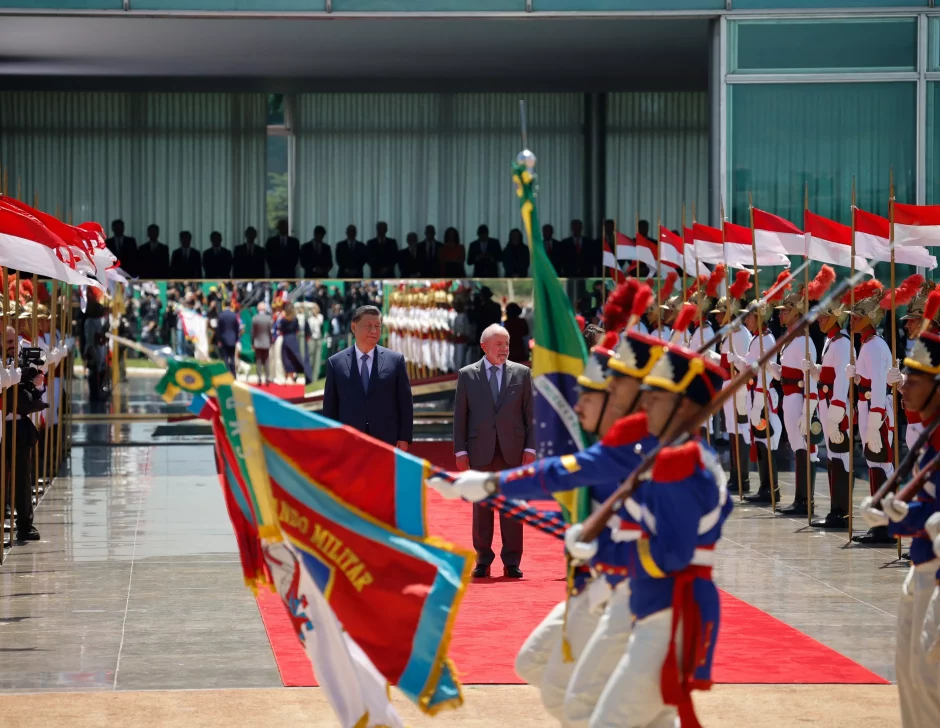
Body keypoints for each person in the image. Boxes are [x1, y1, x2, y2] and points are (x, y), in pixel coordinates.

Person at [861, 331, 940, 727]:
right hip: (920, 568)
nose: (904, 388)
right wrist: (898, 515)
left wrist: (909, 517)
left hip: (938, 577)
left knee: (930, 682)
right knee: (908, 677)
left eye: (915, 381)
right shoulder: (928, 433)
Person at [453, 324, 534, 579]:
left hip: (513, 450)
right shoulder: (467, 375)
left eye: (507, 344)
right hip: (480, 450)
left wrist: (530, 447)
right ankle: (483, 559)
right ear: (484, 347)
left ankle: (512, 561)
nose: (505, 349)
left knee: (511, 507)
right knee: (482, 508)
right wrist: (459, 451)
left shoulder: (522, 373)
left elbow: (530, 415)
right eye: (499, 344)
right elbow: (460, 417)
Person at [845, 281, 896, 545]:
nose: (851, 321)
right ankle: (880, 524)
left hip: (875, 411)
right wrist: (856, 378)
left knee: (882, 464)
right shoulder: (867, 344)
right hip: (867, 409)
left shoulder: (875, 346)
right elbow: (868, 380)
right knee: (874, 464)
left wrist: (875, 422)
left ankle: (887, 525)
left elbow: (878, 385)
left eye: (856, 317)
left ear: (869, 319)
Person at [322, 305, 413, 448]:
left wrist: (404, 437)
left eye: (378, 326)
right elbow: (330, 406)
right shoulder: (336, 363)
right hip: (348, 441)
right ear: (354, 327)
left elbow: (405, 403)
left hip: (386, 440)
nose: (374, 331)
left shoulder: (395, 360)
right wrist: (330, 438)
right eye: (368, 326)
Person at [729, 278, 782, 506]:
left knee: (766, 441)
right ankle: (764, 487)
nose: (747, 319)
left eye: (750, 315)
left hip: (763, 396)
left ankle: (771, 488)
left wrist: (759, 403)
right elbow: (750, 367)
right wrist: (736, 360)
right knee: (760, 442)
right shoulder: (757, 339)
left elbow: (763, 373)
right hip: (755, 395)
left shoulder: (766, 338)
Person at [770, 278, 821, 516]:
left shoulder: (803, 340)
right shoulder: (790, 339)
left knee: (803, 448)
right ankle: (800, 497)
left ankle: (805, 499)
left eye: (786, 311)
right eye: (781, 311)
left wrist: (807, 411)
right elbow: (785, 372)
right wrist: (770, 366)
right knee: (796, 447)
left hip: (799, 398)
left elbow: (809, 376)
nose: (782, 315)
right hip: (787, 396)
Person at [804, 287, 853, 528]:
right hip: (828, 405)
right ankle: (836, 508)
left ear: (835, 316)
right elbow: (830, 372)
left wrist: (837, 410)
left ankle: (842, 512)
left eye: (824, 316)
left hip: (837, 408)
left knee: (841, 458)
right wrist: (816, 370)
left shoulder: (842, 343)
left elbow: (843, 380)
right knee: (833, 458)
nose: (820, 320)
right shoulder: (830, 341)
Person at [714, 271, 753, 495]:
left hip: (739, 388)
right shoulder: (727, 333)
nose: (718, 317)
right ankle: (735, 475)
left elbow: (745, 364)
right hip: (728, 386)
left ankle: (743, 477)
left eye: (721, 313)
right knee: (732, 432)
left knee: (740, 432)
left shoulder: (741, 334)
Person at [277, 302, 310, 383]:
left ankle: (287, 376)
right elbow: (297, 329)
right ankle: (295, 376)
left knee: (286, 358)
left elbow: (280, 329)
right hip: (293, 338)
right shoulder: (295, 319)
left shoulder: (283, 320)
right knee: (294, 357)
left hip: (286, 338)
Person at [215, 301, 242, 375]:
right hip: (232, 339)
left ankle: (226, 373)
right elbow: (237, 328)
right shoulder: (234, 315)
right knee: (232, 357)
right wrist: (236, 339)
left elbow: (219, 329)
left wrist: (219, 340)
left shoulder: (221, 315)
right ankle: (233, 374)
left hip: (224, 339)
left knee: (225, 357)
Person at [250, 302, 273, 385]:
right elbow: (270, 332)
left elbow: (253, 332)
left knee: (258, 361)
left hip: (257, 342)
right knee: (266, 360)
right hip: (266, 342)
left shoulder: (255, 318)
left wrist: (252, 342)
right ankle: (267, 378)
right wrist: (271, 341)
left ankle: (259, 378)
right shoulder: (268, 318)